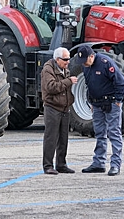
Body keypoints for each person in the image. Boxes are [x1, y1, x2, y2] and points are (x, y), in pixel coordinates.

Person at [75, 46, 124, 176]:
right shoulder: (86, 66)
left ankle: (115, 165)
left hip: (111, 103)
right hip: (96, 104)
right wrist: (91, 101)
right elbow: (88, 84)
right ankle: (99, 163)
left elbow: (120, 82)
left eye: (85, 60)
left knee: (114, 133)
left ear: (91, 56)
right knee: (99, 134)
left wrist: (118, 101)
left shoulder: (105, 62)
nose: (84, 64)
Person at [41, 47, 78, 175]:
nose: (68, 62)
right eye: (65, 59)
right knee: (51, 138)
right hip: (52, 108)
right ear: (57, 59)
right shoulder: (48, 70)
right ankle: (48, 165)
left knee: (63, 138)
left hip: (64, 108)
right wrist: (68, 81)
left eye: (68, 59)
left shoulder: (64, 69)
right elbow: (51, 87)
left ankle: (61, 164)